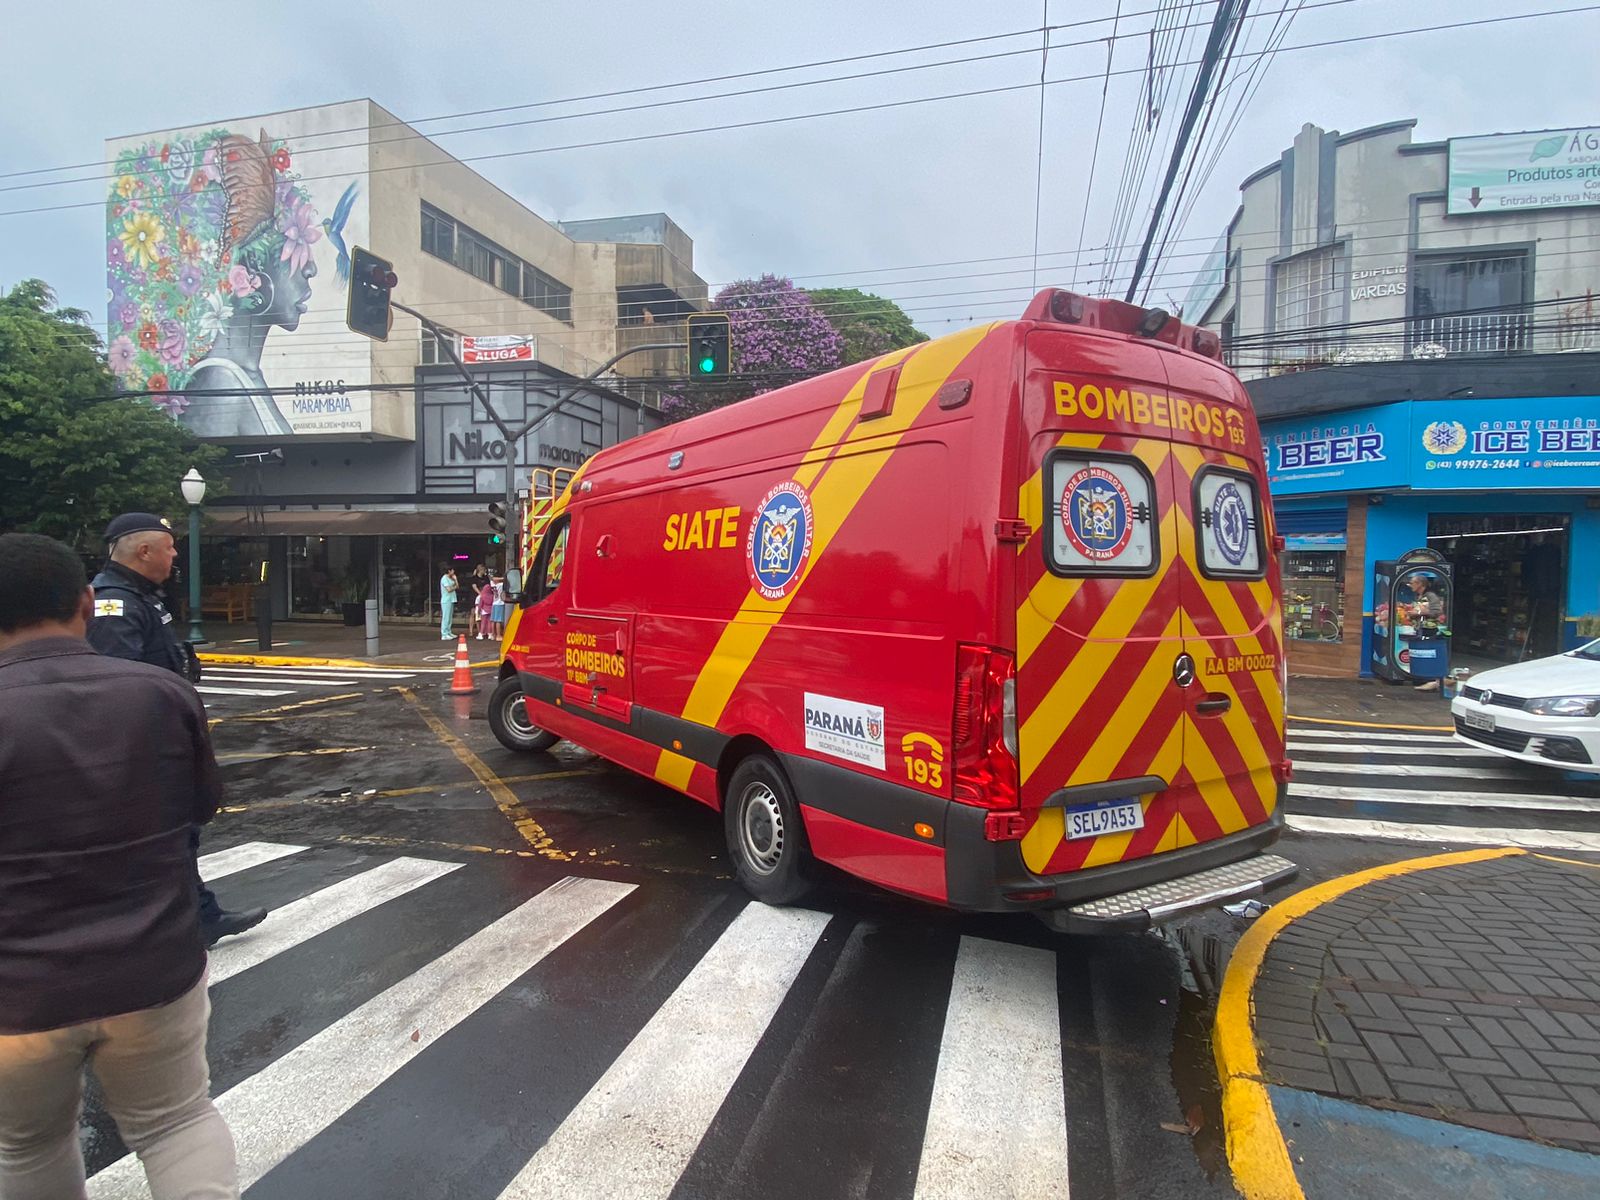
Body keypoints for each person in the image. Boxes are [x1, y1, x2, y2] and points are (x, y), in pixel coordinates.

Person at [0, 532, 239, 1198]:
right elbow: (201, 806)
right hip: (154, 967)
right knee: (177, 1123)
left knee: (28, 1145)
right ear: (84, 602)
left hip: (20, 992)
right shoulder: (162, 694)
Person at [86, 513, 266, 946]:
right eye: (168, 547)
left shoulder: (142, 596)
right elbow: (119, 688)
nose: (174, 555)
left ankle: (201, 915)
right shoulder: (116, 603)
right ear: (143, 551)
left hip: (162, 737)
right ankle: (169, 923)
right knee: (165, 838)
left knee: (179, 836)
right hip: (143, 748)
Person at [439, 565, 458, 639]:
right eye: (452, 570)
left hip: (451, 599)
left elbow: (457, 586)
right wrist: (455, 587)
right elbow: (449, 589)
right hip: (446, 600)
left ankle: (448, 632)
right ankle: (444, 634)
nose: (453, 572)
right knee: (446, 617)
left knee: (449, 617)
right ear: (449, 571)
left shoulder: (451, 578)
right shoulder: (444, 578)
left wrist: (455, 580)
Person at [475, 569, 495, 640]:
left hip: (484, 611)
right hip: (491, 610)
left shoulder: (482, 596)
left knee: (483, 622)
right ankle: (490, 634)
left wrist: (478, 611)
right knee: (489, 622)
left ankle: (481, 634)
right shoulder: (492, 596)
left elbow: (480, 604)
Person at [490, 572, 508, 640]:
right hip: (499, 603)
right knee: (498, 620)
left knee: (493, 620)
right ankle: (498, 635)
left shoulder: (492, 584)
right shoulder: (501, 585)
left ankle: (493, 634)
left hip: (494, 603)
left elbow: (492, 579)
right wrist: (504, 578)